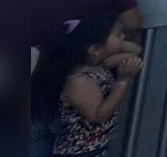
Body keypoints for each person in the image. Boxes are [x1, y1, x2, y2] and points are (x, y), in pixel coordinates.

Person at [31, 15, 143, 157]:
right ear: (95, 49)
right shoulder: (78, 82)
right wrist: (123, 81)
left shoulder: (99, 65)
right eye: (117, 34)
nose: (122, 37)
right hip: (79, 153)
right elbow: (97, 116)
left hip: (93, 148)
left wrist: (117, 41)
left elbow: (135, 51)